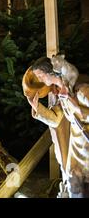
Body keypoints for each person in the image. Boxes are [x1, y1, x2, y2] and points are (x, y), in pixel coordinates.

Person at [26, 57, 89, 198]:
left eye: (40, 75)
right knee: (75, 182)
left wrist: (77, 108)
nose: (40, 79)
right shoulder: (61, 93)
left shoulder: (81, 90)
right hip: (75, 148)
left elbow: (81, 113)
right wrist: (37, 108)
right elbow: (56, 119)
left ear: (51, 72)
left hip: (85, 146)